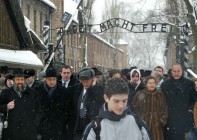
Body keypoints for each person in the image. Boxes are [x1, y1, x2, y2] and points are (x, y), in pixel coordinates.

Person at [82, 78, 152, 140]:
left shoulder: (138, 123)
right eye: (116, 101)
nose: (121, 106)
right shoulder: (95, 127)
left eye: (124, 101)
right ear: (106, 98)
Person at [161, 64, 197, 140]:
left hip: (185, 119)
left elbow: (194, 99)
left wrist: (190, 110)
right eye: (174, 71)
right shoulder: (165, 85)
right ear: (171, 72)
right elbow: (162, 101)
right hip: (170, 119)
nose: (176, 73)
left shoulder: (189, 84)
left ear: (182, 71)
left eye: (178, 71)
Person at [0, 68, 37, 140]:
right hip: (11, 132)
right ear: (13, 80)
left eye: (22, 79)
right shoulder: (6, 93)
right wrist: (6, 106)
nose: (20, 82)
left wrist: (34, 123)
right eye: (17, 79)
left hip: (28, 132)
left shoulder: (33, 93)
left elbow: (39, 110)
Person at [68, 67, 104, 140]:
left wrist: (93, 88)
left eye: (87, 80)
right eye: (82, 81)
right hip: (78, 126)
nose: (85, 83)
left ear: (92, 79)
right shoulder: (77, 89)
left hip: (91, 125)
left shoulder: (99, 90)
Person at [35, 67, 70, 140]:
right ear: (45, 79)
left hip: (58, 128)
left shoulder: (63, 91)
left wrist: (61, 122)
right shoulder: (37, 90)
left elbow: (66, 109)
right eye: (50, 79)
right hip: (41, 128)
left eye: (54, 79)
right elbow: (35, 109)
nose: (52, 82)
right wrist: (38, 122)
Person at [132, 76, 168, 140]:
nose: (152, 85)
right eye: (150, 83)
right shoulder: (140, 94)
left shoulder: (160, 95)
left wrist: (162, 120)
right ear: (146, 84)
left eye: (153, 83)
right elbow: (134, 108)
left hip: (156, 126)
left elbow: (164, 108)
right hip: (143, 124)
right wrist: (139, 120)